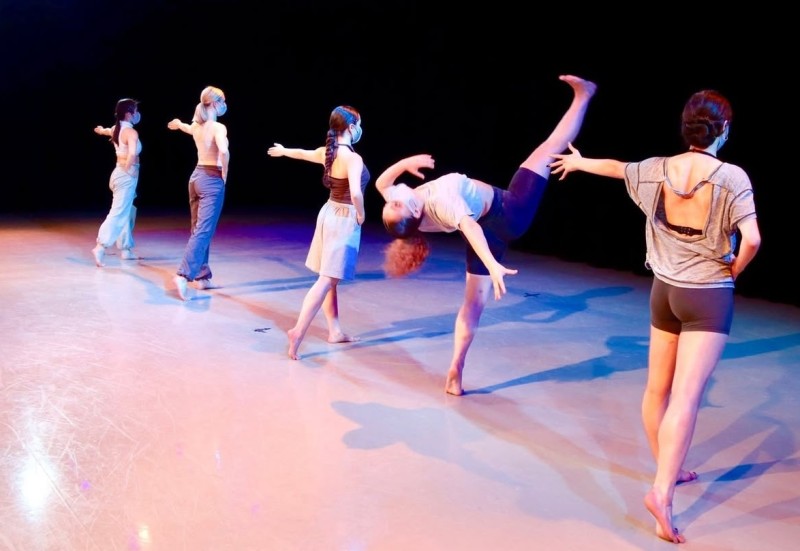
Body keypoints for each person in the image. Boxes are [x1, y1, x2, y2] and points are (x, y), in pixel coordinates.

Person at [548, 89, 761, 544]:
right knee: (685, 398)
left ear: (686, 126)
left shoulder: (655, 169)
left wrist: (580, 163)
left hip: (663, 292)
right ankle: (661, 491)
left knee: (656, 391)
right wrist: (734, 269)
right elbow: (754, 239)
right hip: (707, 295)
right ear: (722, 129)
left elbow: (615, 168)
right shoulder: (732, 177)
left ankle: (669, 464)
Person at [376, 74, 596, 396]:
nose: (392, 197)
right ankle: (585, 95)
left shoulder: (408, 208)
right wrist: (493, 264)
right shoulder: (441, 201)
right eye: (396, 203)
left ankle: (456, 370)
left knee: (472, 305)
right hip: (509, 212)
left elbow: (383, 183)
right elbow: (470, 227)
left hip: (488, 230)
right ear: (410, 211)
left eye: (390, 203)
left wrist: (407, 162)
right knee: (549, 148)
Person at [267, 105, 369, 359]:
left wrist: (283, 152)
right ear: (351, 127)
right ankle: (298, 331)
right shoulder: (352, 158)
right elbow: (355, 192)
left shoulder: (329, 153)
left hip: (328, 213)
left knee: (329, 278)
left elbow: (302, 153)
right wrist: (361, 213)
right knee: (326, 280)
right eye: (360, 123)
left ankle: (334, 330)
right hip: (343, 217)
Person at [167, 86, 230, 301]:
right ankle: (183, 275)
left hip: (196, 178)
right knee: (203, 231)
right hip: (211, 178)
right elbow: (223, 150)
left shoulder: (197, 126)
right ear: (214, 103)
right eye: (222, 101)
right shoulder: (217, 127)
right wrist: (225, 174)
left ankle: (203, 277)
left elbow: (186, 127)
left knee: (199, 229)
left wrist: (177, 124)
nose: (224, 106)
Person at [92, 98, 142, 266]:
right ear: (129, 114)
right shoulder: (131, 133)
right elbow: (132, 154)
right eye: (135, 111)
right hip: (125, 176)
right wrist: (128, 170)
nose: (138, 114)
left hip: (120, 175)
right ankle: (101, 246)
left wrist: (100, 130)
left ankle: (126, 249)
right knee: (118, 213)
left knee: (127, 212)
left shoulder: (117, 129)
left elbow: (108, 131)